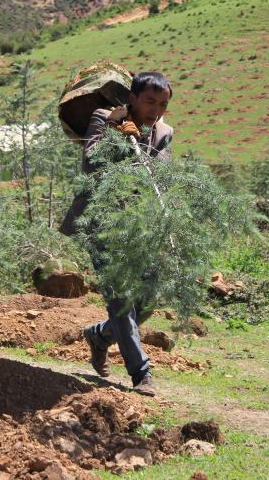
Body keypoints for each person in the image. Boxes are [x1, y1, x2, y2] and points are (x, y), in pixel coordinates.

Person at [60, 71, 174, 397]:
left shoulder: (164, 133)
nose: (156, 110)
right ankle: (141, 374)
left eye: (163, 104)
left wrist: (137, 142)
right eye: (150, 101)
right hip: (102, 222)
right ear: (133, 98)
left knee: (147, 299)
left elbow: (156, 174)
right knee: (121, 298)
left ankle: (100, 335)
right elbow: (93, 159)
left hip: (139, 224)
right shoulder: (104, 117)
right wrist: (117, 129)